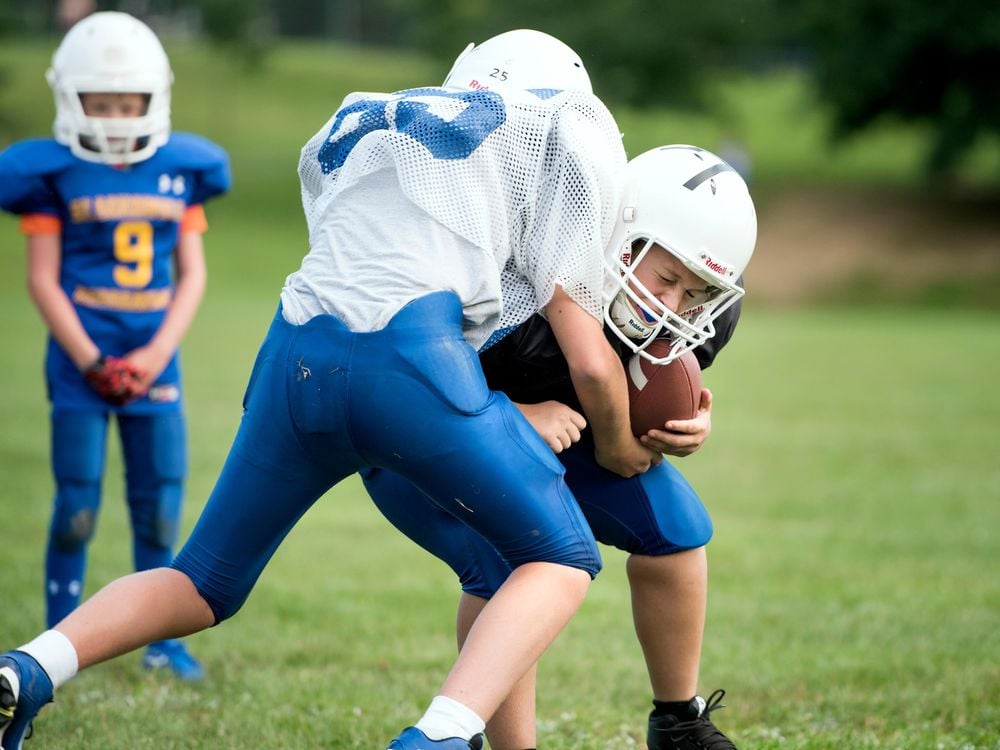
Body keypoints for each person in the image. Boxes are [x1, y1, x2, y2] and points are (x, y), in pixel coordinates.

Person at [0, 29, 662, 750]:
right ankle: (437, 738)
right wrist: (622, 446)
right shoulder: (546, 136)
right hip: (406, 361)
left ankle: (29, 667)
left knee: (200, 580)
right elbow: (591, 363)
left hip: (293, 350)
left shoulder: (395, 120)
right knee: (559, 558)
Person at [365, 145, 757, 750]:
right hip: (433, 440)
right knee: (509, 565)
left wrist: (683, 425)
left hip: (562, 439)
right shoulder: (524, 278)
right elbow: (414, 378)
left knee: (678, 532)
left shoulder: (700, 317)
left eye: (700, 292)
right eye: (668, 278)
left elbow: (647, 384)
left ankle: (678, 720)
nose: (677, 307)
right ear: (621, 240)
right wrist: (512, 414)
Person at [0, 11, 230, 683]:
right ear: (71, 98)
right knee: (76, 504)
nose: (113, 114)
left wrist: (156, 355)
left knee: (159, 502)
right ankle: (56, 637)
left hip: (154, 359)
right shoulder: (50, 174)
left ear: (152, 96)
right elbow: (42, 281)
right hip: (81, 365)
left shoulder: (182, 170)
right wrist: (91, 360)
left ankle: (161, 640)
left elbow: (194, 273)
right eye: (99, 102)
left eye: (126, 102)